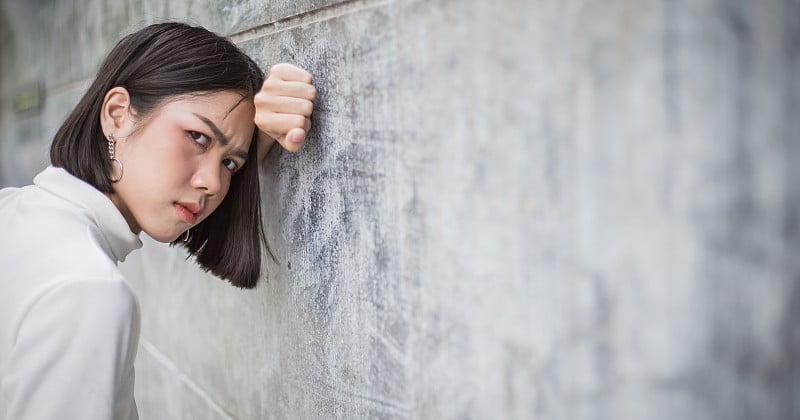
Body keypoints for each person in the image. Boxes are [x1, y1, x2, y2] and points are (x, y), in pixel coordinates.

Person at [0, 22, 316, 419]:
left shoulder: (16, 210)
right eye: (197, 137)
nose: (213, 184)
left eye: (230, 163)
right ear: (117, 115)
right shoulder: (90, 292)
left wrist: (256, 145)